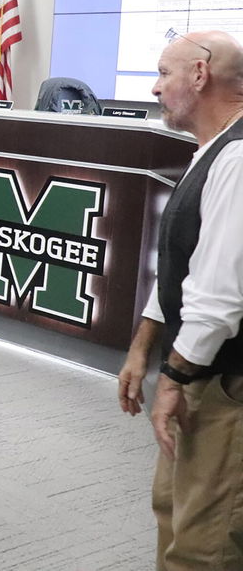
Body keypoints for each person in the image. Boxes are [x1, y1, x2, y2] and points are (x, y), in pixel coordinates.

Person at [117, 29, 243, 570]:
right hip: (197, 375)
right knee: (172, 508)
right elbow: (181, 267)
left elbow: (218, 297)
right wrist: (143, 347)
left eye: (164, 73)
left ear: (200, 74)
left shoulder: (236, 160)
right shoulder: (209, 153)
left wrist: (174, 379)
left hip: (220, 385)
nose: (154, 88)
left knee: (204, 544)